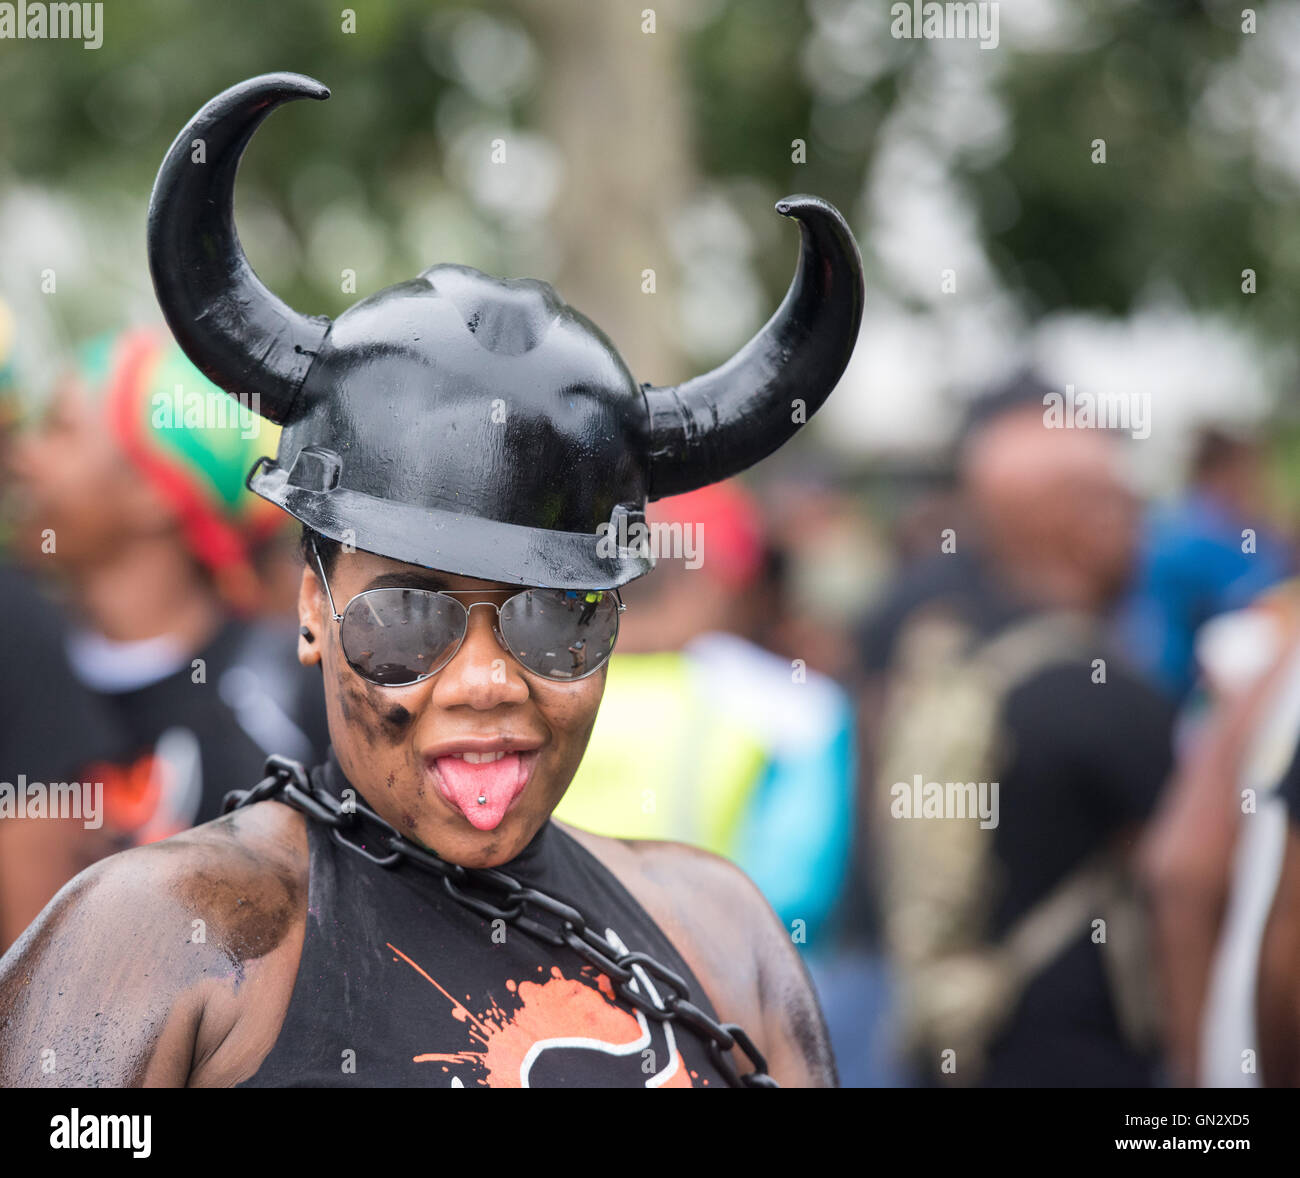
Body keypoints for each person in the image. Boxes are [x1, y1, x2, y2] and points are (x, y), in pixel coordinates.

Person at [0, 73, 864, 1088]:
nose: (487, 679)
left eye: (554, 619)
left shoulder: (719, 932)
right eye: (409, 615)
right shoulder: (164, 935)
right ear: (313, 602)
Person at [870, 396, 1177, 1087]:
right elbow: (1187, 879)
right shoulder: (1108, 695)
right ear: (1069, 518)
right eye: (1124, 505)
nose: (1139, 530)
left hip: (957, 1036)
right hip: (1080, 1059)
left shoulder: (943, 650)